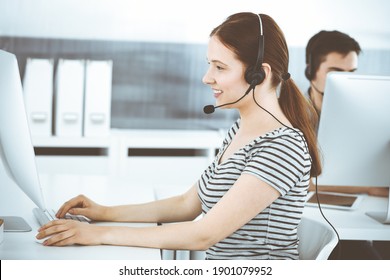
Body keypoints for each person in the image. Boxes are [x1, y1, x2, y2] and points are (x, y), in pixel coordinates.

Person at [36, 12, 321, 260]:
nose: (206, 77)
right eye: (210, 64)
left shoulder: (282, 146)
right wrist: (104, 212)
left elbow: (203, 235)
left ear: (260, 74)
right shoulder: (241, 129)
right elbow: (188, 204)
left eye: (220, 67)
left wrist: (95, 235)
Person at [305, 30, 389, 259]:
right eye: (335, 72)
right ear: (310, 71)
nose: (344, 80)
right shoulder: (291, 115)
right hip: (308, 224)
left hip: (356, 219)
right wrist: (368, 187)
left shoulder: (359, 116)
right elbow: (296, 179)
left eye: (351, 73)